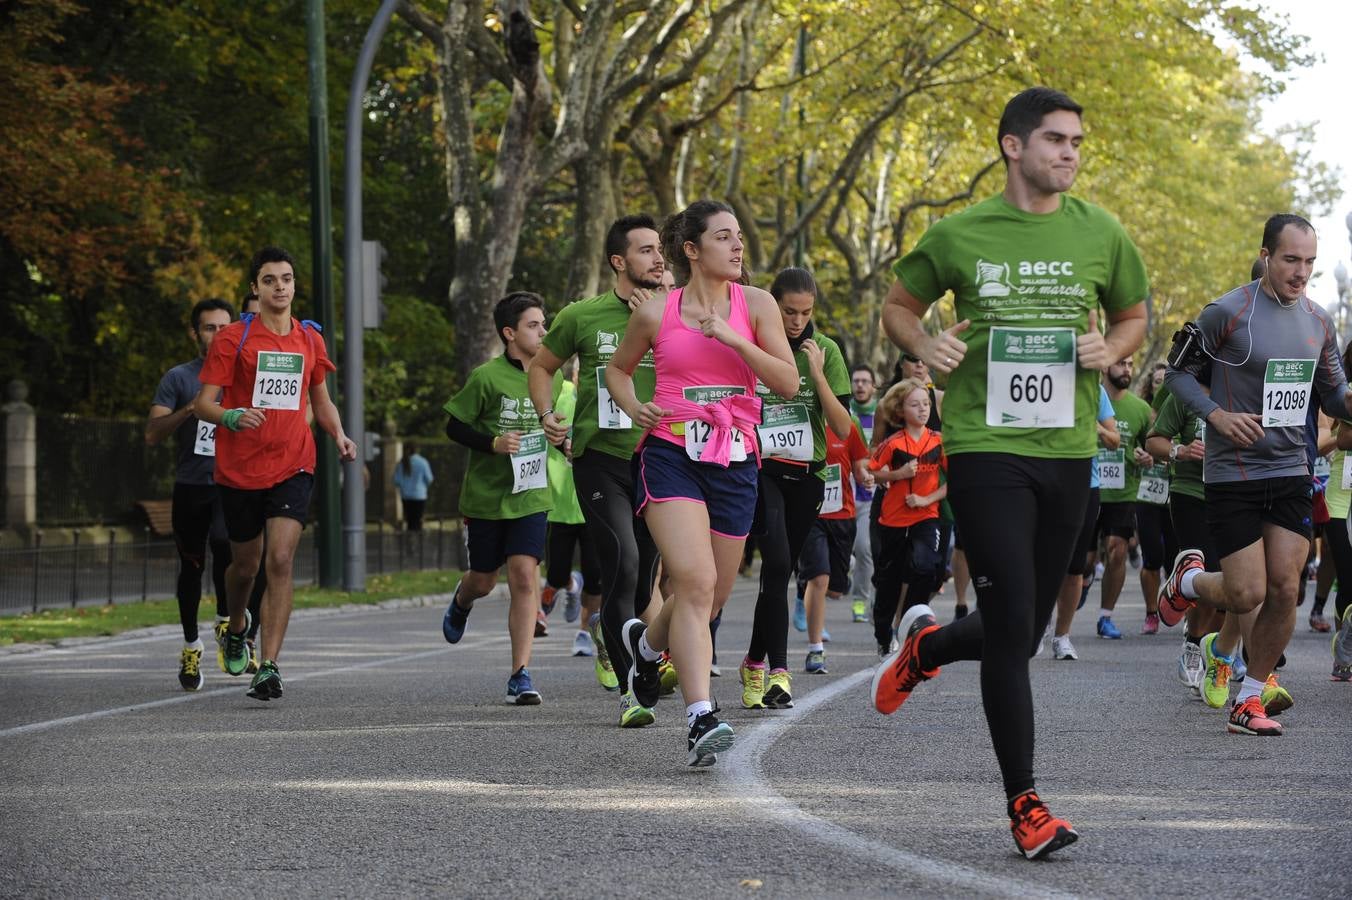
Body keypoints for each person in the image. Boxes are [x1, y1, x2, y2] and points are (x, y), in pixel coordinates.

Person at [873, 87, 1149, 859]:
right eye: (1057, 140)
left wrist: (1113, 348)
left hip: (1067, 454)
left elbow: (1132, 314)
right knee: (1012, 619)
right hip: (985, 446)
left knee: (1019, 633)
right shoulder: (961, 233)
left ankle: (925, 651)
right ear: (1013, 146)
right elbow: (900, 305)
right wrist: (923, 346)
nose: (1070, 153)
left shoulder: (1102, 232)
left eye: (1077, 142)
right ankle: (1025, 804)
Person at [605, 198, 798, 766]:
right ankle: (698, 715)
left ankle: (646, 645)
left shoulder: (757, 305)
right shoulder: (655, 311)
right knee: (692, 580)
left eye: (740, 236)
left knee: (709, 594)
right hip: (671, 452)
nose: (738, 246)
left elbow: (787, 382)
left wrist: (734, 340)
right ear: (691, 250)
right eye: (724, 237)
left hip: (736, 456)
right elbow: (617, 370)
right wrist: (634, 404)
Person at [1159, 213, 1352, 735]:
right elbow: (1177, 373)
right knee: (1248, 593)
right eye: (1291, 260)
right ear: (1266, 255)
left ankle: (1249, 699)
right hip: (1234, 472)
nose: (1301, 272)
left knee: (1285, 588)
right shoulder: (1228, 311)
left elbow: (1331, 393)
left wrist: (1349, 401)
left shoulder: (1318, 320)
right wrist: (1216, 415)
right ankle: (1189, 579)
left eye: (1310, 262)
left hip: (1290, 467)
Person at [194, 247, 358, 701]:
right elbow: (204, 403)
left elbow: (320, 400)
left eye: (286, 279)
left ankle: (269, 666)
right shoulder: (233, 338)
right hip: (240, 468)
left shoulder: (309, 339)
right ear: (256, 288)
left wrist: (339, 435)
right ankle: (235, 623)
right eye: (270, 280)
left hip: (294, 462)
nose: (280, 287)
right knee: (244, 565)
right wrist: (230, 417)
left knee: (281, 560)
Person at [528, 213, 666, 728]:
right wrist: (548, 417)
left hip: (660, 460)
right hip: (600, 461)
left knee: (648, 581)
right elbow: (542, 368)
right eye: (647, 250)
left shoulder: (674, 312)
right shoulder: (582, 316)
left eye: (661, 251)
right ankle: (634, 686)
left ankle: (641, 657)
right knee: (622, 566)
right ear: (619, 261)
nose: (658, 258)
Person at [739, 266, 852, 710]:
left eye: (805, 313)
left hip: (809, 476)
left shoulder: (825, 350)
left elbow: (842, 427)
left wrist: (818, 374)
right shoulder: (756, 345)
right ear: (774, 305)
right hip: (763, 470)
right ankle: (779, 674)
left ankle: (752, 661)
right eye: (789, 311)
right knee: (780, 561)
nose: (797, 321)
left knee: (778, 575)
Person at [441, 292, 562, 705]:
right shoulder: (486, 377)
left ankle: (520, 673)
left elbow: (555, 423)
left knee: (525, 576)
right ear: (509, 333)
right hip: (488, 497)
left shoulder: (553, 376)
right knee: (484, 580)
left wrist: (560, 437)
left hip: (531, 494)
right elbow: (453, 427)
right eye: (533, 325)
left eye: (544, 324)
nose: (543, 331)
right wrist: (492, 442)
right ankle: (462, 599)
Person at [146, 298, 236, 690]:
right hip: (191, 486)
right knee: (192, 566)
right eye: (209, 328)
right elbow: (152, 433)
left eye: (224, 327)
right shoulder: (178, 377)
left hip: (231, 483)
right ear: (195, 333)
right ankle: (190, 646)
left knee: (226, 546)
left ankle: (224, 620)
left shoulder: (242, 375)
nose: (217, 335)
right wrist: (192, 409)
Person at [537, 368, 609, 694]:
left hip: (592, 504)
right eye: (580, 367)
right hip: (562, 505)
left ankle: (584, 630)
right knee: (556, 571)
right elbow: (545, 428)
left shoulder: (610, 392)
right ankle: (564, 584)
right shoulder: (562, 395)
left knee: (597, 576)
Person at [868, 378, 948, 655]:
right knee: (888, 583)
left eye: (926, 404)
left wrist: (927, 498)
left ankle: (909, 623)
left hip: (926, 516)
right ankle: (882, 636)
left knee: (926, 568)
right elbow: (872, 471)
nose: (923, 410)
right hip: (892, 521)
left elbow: (955, 479)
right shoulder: (893, 443)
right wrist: (897, 475)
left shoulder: (938, 441)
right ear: (901, 411)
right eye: (915, 405)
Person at [1047, 384, 1117, 661]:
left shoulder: (1094, 389)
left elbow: (1115, 439)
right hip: (1043, 479)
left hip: (1085, 484)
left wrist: (1096, 428)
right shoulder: (1042, 378)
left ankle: (1062, 636)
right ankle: (1041, 621)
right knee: (1043, 560)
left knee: (1075, 566)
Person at [797, 412, 872, 672]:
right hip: (810, 512)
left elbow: (861, 464)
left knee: (835, 589)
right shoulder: (802, 420)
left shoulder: (847, 426)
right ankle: (815, 650)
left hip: (843, 513)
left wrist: (865, 475)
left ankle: (804, 585)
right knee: (819, 578)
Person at [1093, 357, 1156, 637]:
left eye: (1131, 364)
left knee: (1117, 549)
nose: (1128, 369)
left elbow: (1153, 445)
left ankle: (1106, 616)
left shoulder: (1141, 409)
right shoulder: (1087, 397)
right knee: (1080, 561)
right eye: (1121, 364)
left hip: (1123, 490)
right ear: (1106, 366)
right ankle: (1080, 584)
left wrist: (1147, 457)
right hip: (1087, 487)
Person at [848, 365, 879, 623]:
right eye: (856, 381)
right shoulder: (842, 412)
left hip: (869, 494)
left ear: (873, 386)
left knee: (864, 548)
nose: (859, 385)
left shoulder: (883, 414)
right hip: (841, 493)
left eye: (864, 381)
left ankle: (860, 600)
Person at [392, 441, 434, 532]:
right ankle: (417, 542)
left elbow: (396, 481)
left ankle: (409, 541)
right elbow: (429, 479)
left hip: (406, 496)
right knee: (418, 520)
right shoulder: (423, 462)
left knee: (409, 520)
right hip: (419, 496)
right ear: (416, 449)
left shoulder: (401, 463)